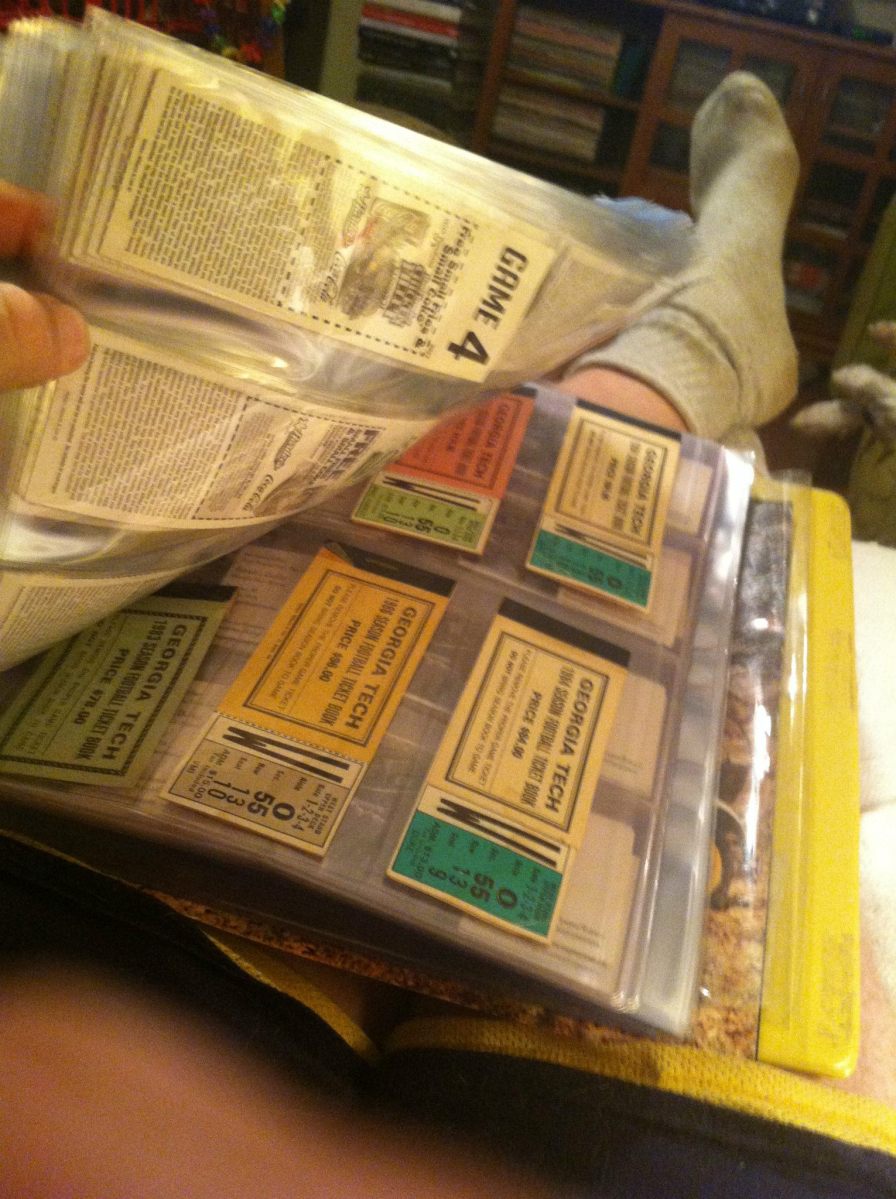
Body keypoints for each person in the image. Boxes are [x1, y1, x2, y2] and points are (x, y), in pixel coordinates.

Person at [2, 73, 895, 1198]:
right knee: (628, 915)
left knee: (413, 534)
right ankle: (698, 343)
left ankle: (685, 350)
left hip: (77, 923)